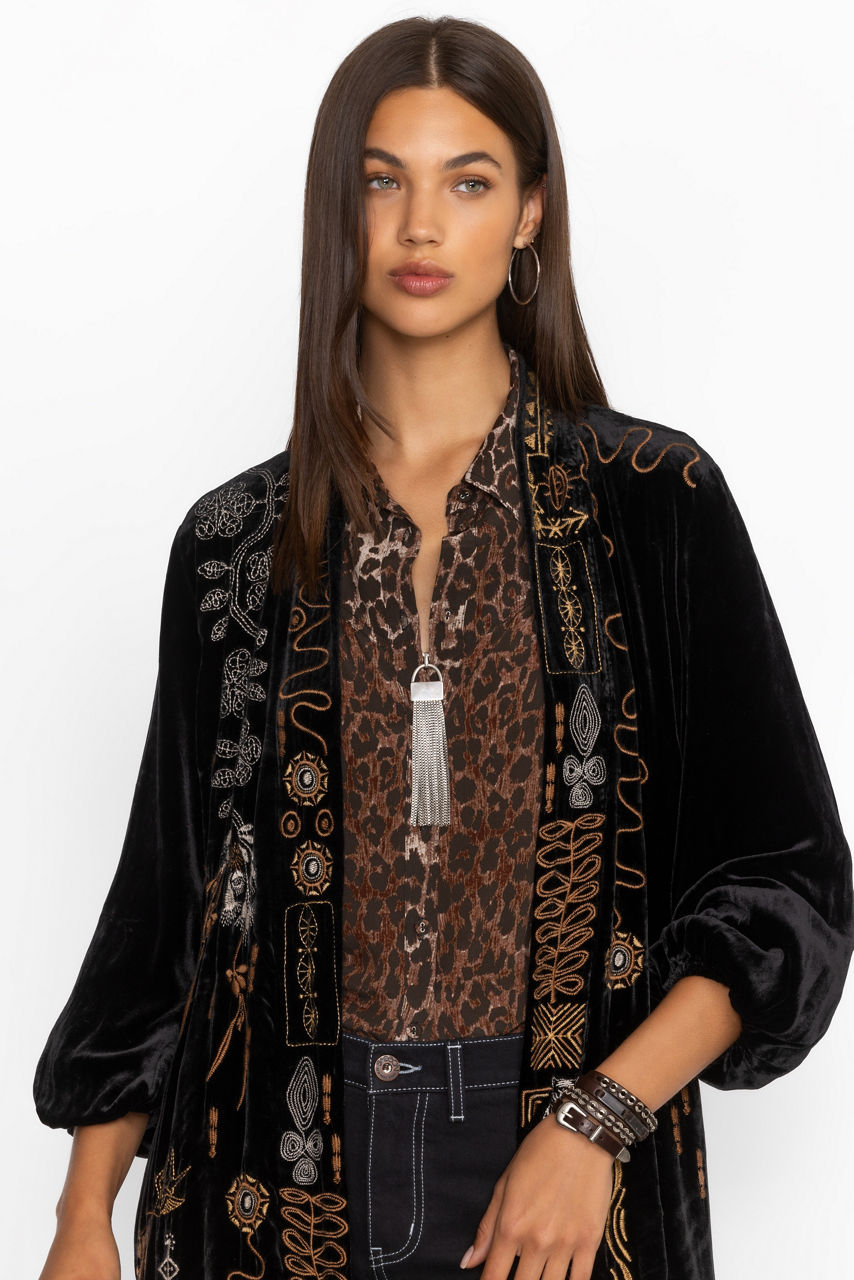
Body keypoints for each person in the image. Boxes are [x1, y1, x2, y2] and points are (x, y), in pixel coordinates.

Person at [33, 15, 854, 1280]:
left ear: (528, 212)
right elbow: (169, 907)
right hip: (269, 1182)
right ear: (337, 208)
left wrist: (595, 1117)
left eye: (466, 183)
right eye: (382, 181)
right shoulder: (233, 542)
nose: (420, 226)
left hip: (561, 1181)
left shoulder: (653, 502)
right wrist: (82, 1213)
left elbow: (785, 886)